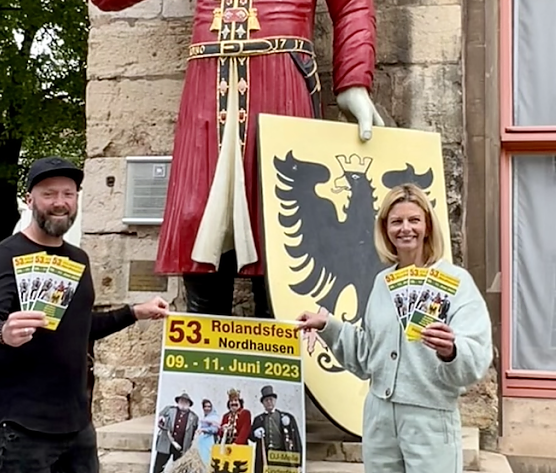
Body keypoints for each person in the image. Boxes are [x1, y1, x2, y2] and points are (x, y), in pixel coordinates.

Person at [90, 0, 382, 318]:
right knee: (198, 216)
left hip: (281, 71)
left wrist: (353, 80)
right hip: (207, 74)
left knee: (280, 221)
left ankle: (277, 349)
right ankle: (200, 358)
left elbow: (352, 4)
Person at [0, 156, 170, 473]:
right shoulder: (7, 253)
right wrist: (2, 333)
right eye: (49, 194)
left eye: (67, 194)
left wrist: (135, 312)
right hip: (22, 423)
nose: (60, 202)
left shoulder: (77, 260)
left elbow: (80, 329)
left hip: (75, 421)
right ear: (30, 200)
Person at [296, 184, 493, 473]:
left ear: (428, 226)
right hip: (380, 420)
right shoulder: (383, 284)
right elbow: (368, 355)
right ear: (385, 228)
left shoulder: (457, 283)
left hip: (430, 420)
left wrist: (452, 350)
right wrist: (329, 326)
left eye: (414, 220)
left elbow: (476, 357)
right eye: (396, 220)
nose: (406, 228)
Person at [249, 385, 302, 473]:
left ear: (275, 401)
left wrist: (299, 462)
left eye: (271, 399)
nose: (269, 402)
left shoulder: (286, 417)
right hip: (266, 459)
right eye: (266, 400)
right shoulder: (259, 419)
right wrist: (255, 434)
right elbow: (251, 436)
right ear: (263, 403)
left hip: (282, 458)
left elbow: (296, 440)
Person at [150, 392, 200, 473]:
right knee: (158, 469)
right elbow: (160, 416)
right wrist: (161, 419)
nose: (183, 403)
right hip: (165, 445)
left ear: (189, 404)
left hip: (181, 448)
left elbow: (193, 433)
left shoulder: (194, 417)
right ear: (178, 402)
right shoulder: (169, 410)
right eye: (181, 401)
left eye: (186, 402)